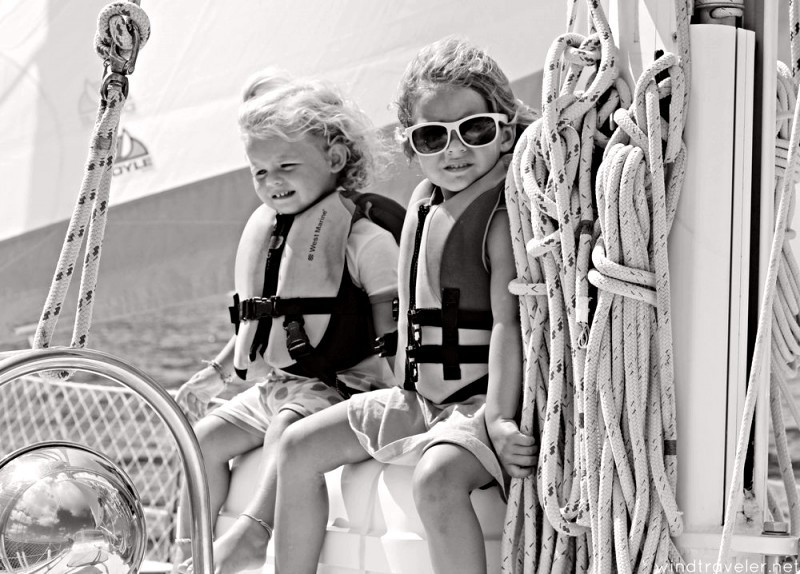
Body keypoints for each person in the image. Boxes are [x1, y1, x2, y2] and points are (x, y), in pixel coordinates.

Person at [274, 36, 538, 574]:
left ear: (504, 128)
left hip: (475, 406)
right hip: (417, 400)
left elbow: (510, 324)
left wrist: (501, 420)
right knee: (296, 448)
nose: (455, 150)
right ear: (410, 144)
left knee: (436, 481)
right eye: (432, 136)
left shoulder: (501, 218)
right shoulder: (423, 204)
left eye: (475, 129)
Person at [174, 67, 399, 574]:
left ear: (336, 158)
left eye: (286, 166)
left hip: (343, 386)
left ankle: (254, 534)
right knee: (203, 440)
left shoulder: (365, 240)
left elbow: (395, 329)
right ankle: (193, 559)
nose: (272, 183)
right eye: (259, 172)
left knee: (286, 429)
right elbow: (262, 320)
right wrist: (215, 372)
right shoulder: (276, 234)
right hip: (281, 382)